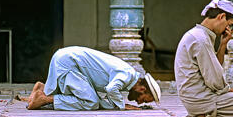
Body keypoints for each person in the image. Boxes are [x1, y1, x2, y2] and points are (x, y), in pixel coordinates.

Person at [24, 46, 161, 111]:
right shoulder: (127, 74)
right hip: (69, 62)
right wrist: (122, 106)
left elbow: (107, 95)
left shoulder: (128, 75)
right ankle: (44, 99)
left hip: (66, 58)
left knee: (90, 97)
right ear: (142, 89)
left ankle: (42, 89)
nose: (138, 102)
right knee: (91, 102)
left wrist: (115, 105)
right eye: (142, 100)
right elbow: (111, 89)